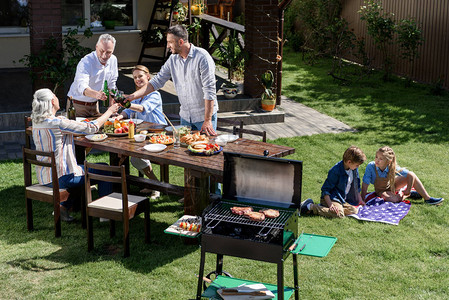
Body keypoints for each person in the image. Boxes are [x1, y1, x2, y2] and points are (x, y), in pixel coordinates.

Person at [31, 88, 120, 221]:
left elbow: (68, 130)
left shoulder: (36, 122)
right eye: (55, 95)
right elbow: (91, 128)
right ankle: (104, 214)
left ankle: (64, 206)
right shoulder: (57, 123)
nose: (57, 97)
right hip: (61, 178)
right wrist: (109, 111)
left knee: (79, 169)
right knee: (104, 169)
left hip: (45, 177)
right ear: (51, 101)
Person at [126, 24, 218, 136]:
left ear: (180, 42)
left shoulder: (202, 57)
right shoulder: (172, 59)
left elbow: (210, 90)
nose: (168, 46)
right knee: (184, 151)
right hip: (185, 117)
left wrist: (207, 120)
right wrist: (132, 97)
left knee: (205, 149)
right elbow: (156, 82)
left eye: (170, 42)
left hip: (203, 117)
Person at [116, 65, 167, 198]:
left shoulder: (155, 94)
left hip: (158, 132)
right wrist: (119, 116)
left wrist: (127, 103)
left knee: (134, 156)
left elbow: (143, 108)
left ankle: (155, 185)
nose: (138, 79)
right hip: (143, 133)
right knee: (125, 152)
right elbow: (128, 111)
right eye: (135, 77)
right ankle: (151, 183)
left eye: (140, 76)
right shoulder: (137, 95)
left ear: (148, 77)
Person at [361, 146, 444, 205]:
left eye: (381, 159)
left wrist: (408, 189)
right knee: (395, 199)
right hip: (382, 191)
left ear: (388, 161)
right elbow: (365, 184)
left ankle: (427, 199)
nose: (377, 160)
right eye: (376, 157)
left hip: (393, 185)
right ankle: (408, 194)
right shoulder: (371, 166)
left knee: (412, 175)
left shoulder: (392, 167)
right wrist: (362, 199)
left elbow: (411, 175)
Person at [301, 146, 367, 218]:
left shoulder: (354, 170)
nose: (358, 167)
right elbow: (325, 190)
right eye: (357, 165)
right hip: (331, 198)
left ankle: (325, 208)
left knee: (354, 211)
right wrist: (330, 205)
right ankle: (310, 206)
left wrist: (360, 200)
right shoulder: (336, 171)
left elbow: (356, 186)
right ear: (349, 162)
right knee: (339, 215)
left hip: (341, 199)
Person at [67, 34, 118, 117]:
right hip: (77, 105)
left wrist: (111, 107)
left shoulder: (113, 60)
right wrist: (97, 95)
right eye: (101, 51)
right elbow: (82, 87)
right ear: (96, 47)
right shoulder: (86, 62)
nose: (104, 55)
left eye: (108, 52)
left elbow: (112, 85)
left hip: (94, 105)